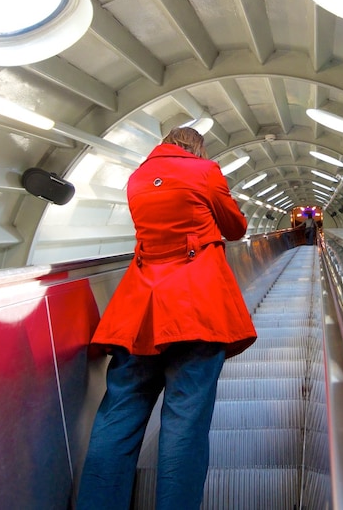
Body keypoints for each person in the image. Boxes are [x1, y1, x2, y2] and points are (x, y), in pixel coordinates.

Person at [76, 127, 256, 510]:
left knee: (119, 413)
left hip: (139, 310)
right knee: (185, 421)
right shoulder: (205, 171)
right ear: (196, 147)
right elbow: (236, 227)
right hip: (196, 308)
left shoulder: (136, 177)